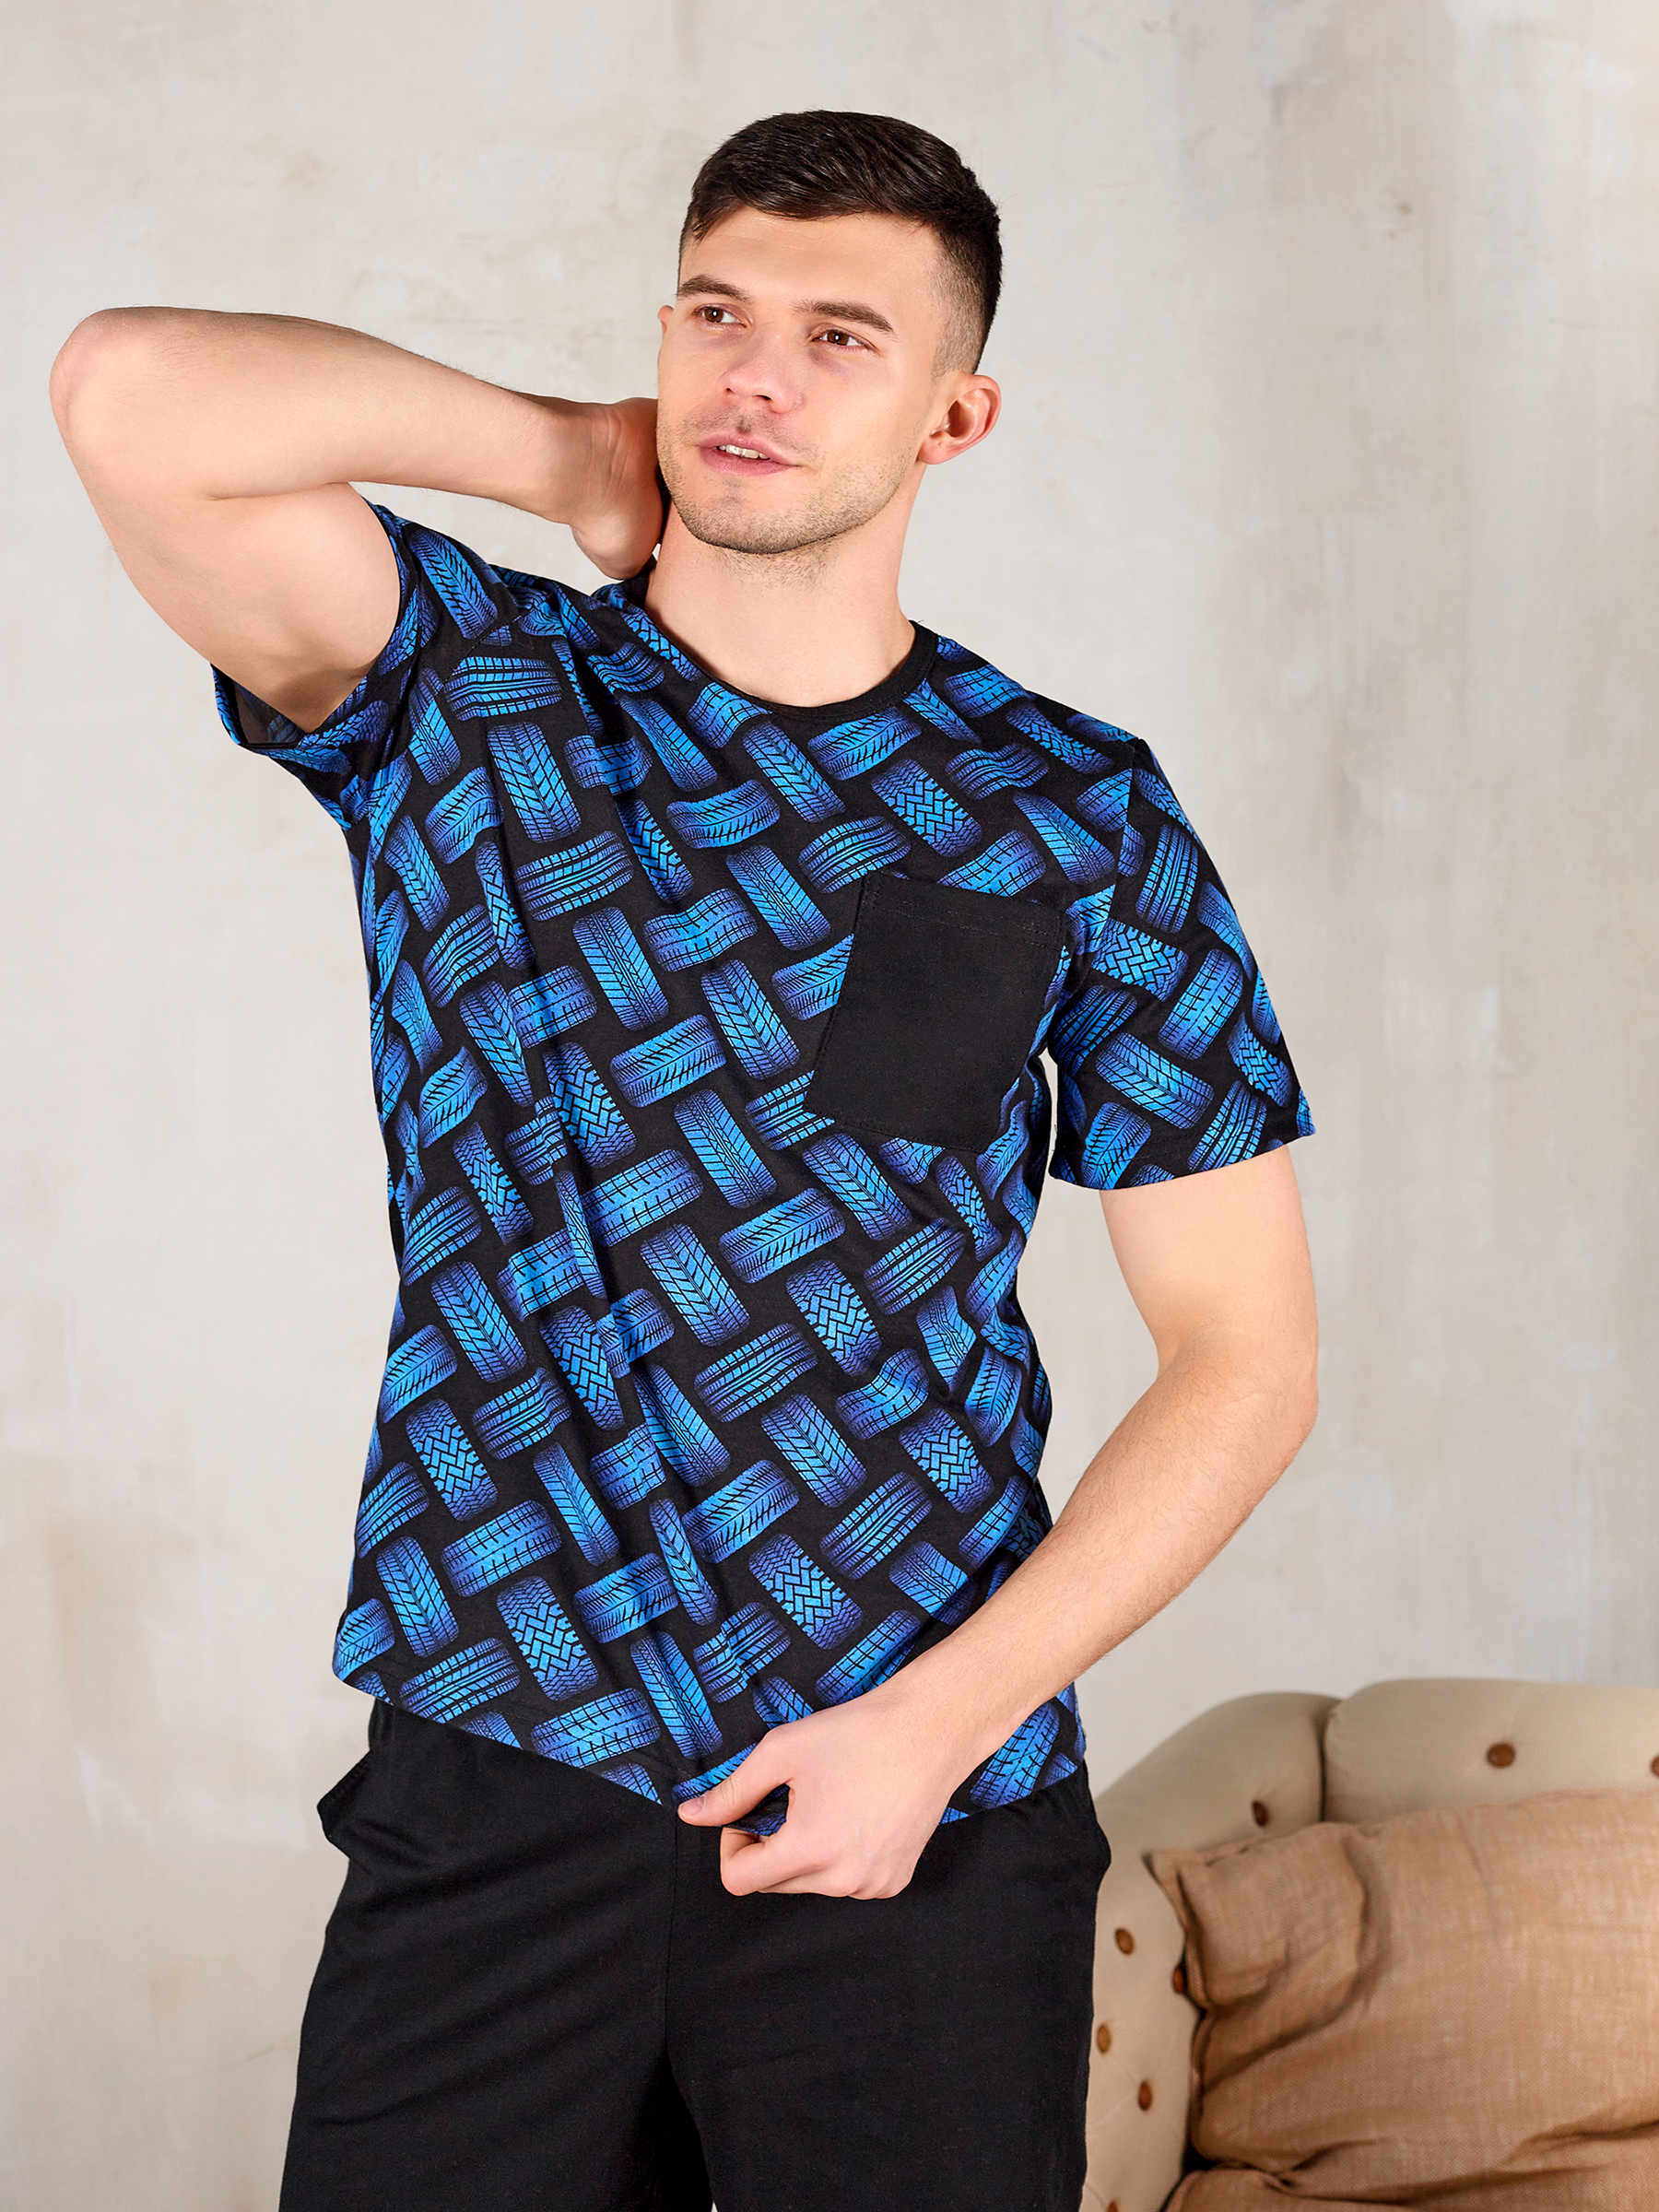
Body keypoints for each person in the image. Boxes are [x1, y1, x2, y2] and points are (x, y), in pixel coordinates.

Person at [52, 108, 1318, 2212]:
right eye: (718, 314)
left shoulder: (1078, 813)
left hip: (917, 1810)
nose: (759, 375)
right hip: (500, 1769)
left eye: (841, 336)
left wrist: (938, 1727)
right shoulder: (464, 697)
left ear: (956, 411)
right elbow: (127, 393)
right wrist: (564, 456)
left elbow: (1246, 1360)